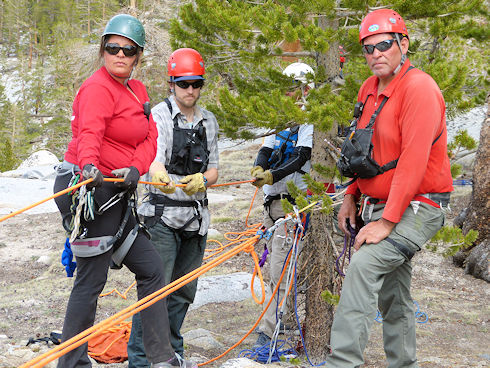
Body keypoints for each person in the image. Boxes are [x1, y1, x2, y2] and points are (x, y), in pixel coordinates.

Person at [53, 14, 194, 368]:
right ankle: (71, 363)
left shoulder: (137, 90)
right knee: (91, 280)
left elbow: (151, 137)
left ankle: (160, 358)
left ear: (138, 56)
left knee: (150, 270)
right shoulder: (97, 88)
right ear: (103, 50)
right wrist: (89, 166)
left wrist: (136, 167)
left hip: (120, 190)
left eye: (128, 50)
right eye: (113, 47)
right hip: (90, 190)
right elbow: (90, 133)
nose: (120, 55)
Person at [327, 9, 453, 367]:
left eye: (384, 44)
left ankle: (342, 363)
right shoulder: (369, 89)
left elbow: (413, 163)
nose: (376, 54)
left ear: (403, 44)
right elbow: (362, 152)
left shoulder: (420, 89)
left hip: (420, 205)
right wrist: (352, 195)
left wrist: (385, 223)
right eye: (368, 48)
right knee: (394, 297)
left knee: (364, 268)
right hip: (381, 202)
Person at [127, 48, 219, 367]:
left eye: (196, 83)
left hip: (196, 220)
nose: (190, 90)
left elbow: (215, 169)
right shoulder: (160, 116)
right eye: (183, 84)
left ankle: (171, 353)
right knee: (155, 293)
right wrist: (157, 170)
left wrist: (203, 180)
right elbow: (155, 154)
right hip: (162, 217)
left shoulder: (209, 121)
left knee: (183, 293)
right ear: (171, 83)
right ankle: (140, 360)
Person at [250, 62, 314, 348]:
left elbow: (300, 157)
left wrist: (272, 175)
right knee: (276, 267)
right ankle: (283, 320)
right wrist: (258, 168)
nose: (286, 94)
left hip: (293, 206)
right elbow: (266, 150)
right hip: (272, 205)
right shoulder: (278, 117)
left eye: (291, 88)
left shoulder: (311, 118)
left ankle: (271, 330)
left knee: (281, 268)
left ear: (305, 89)